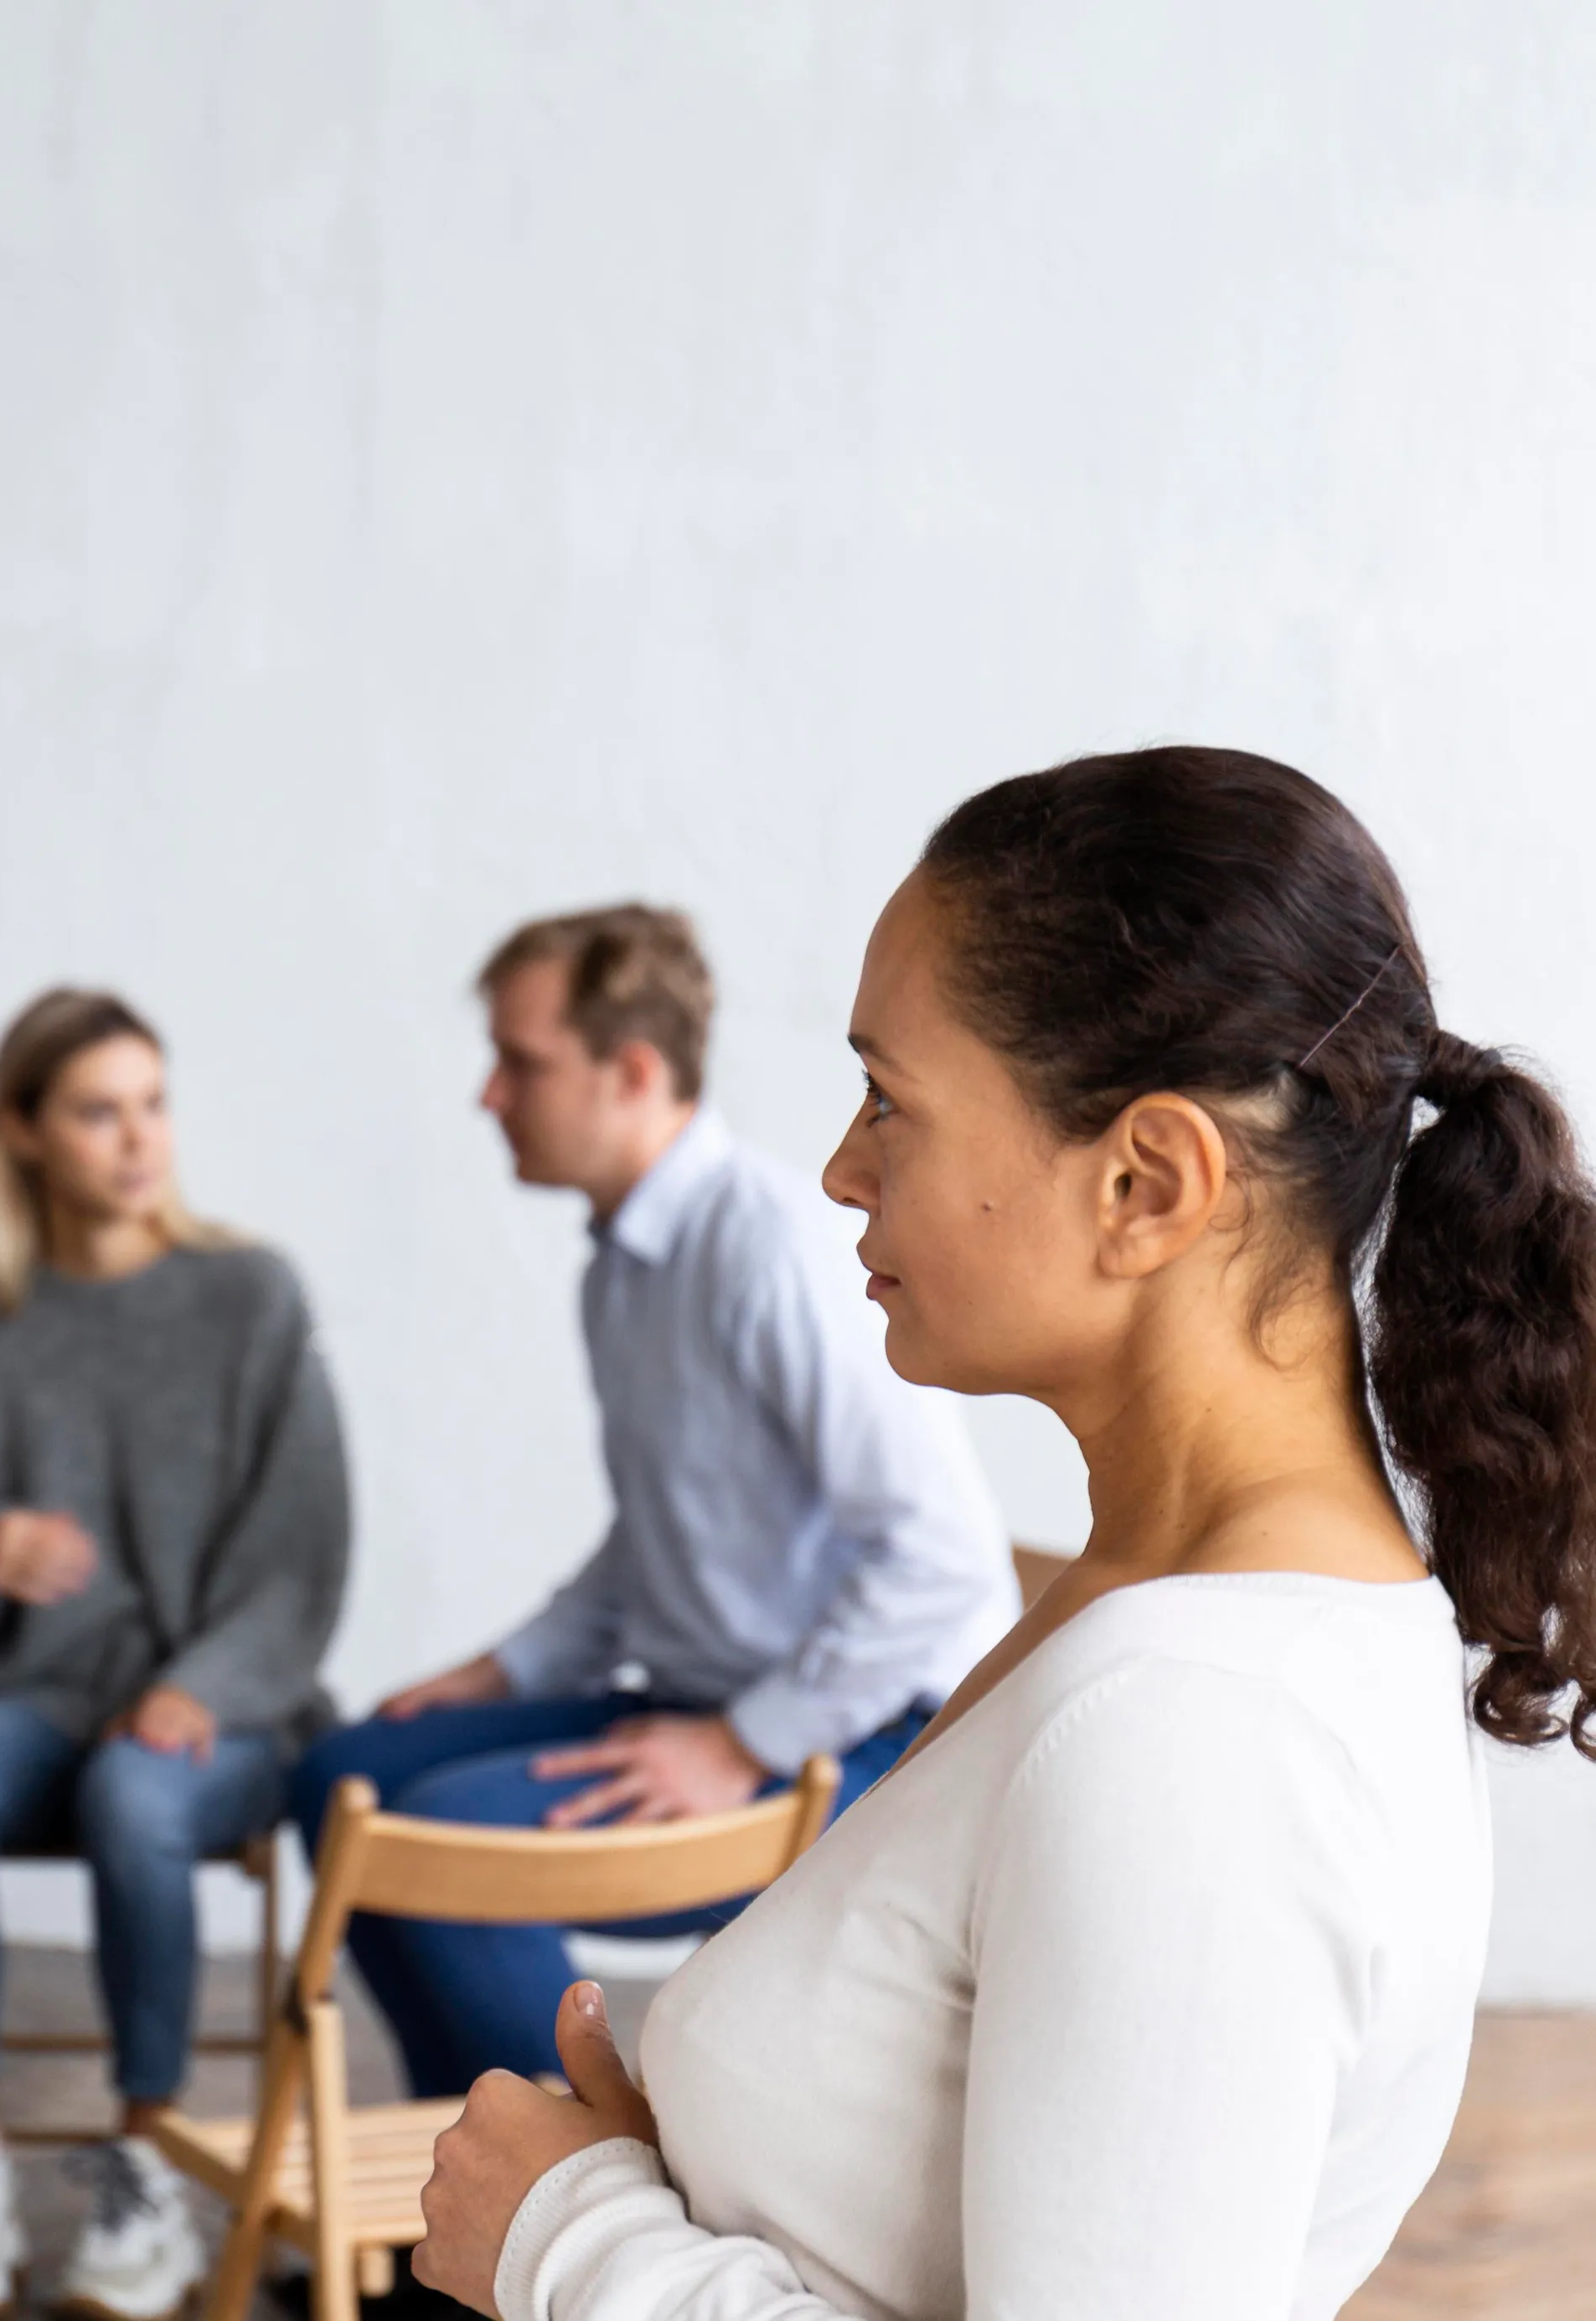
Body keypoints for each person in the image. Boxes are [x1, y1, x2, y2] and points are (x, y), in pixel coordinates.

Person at [413, 747, 1578, 2319]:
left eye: (890, 1098)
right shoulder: (1142, 1605)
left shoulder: (1198, 1732)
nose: (839, 1165)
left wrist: (572, 2237)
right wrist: (651, 2176)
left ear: (1146, 1181)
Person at [287, 907, 1015, 2098]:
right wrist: (504, 1668)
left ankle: (568, 2215)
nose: (488, 1095)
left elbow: (937, 1555)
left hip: (865, 1735)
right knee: (339, 1772)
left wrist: (742, 1743)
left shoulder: (768, 1247)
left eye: (520, 1062)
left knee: (441, 1841)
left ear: (631, 1072)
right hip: (704, 1696)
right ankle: (454, 2196)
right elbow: (661, 1536)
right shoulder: (626, 1266)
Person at [0, 988, 353, 2321]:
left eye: (153, 1101)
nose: (140, 1139)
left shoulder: (250, 1293)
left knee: (134, 1792)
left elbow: (304, 1555)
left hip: (221, 1705)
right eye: (97, 1109)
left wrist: (201, 1684)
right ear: (22, 1133)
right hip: (35, 1692)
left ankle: (144, 2174)